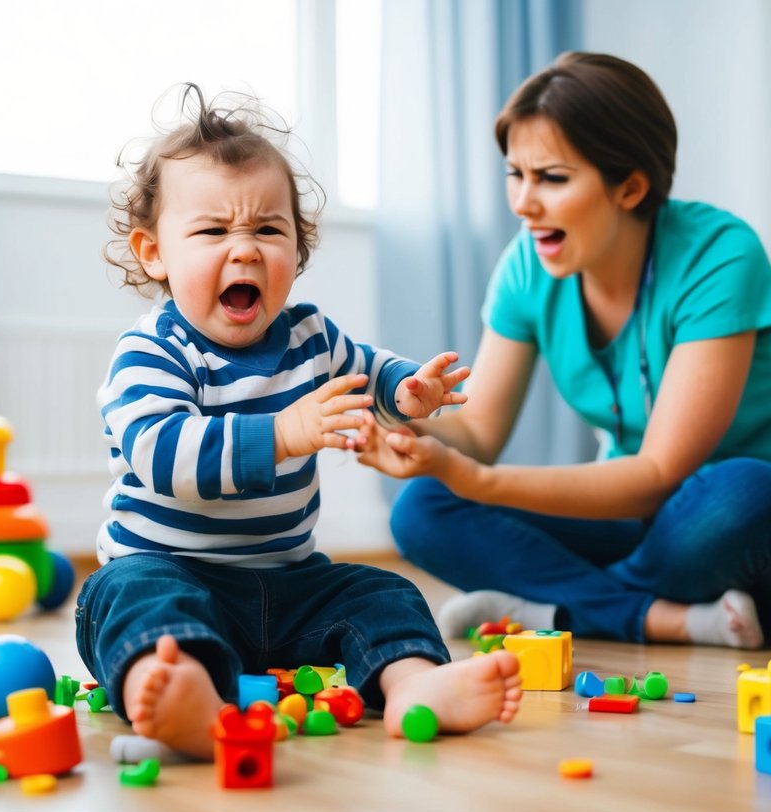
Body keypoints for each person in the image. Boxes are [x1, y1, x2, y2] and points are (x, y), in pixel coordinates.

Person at [355, 52, 771, 649]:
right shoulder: (526, 267)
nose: (523, 203)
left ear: (631, 186)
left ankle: (561, 608)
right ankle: (653, 615)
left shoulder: (720, 254)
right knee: (424, 504)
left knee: (739, 492)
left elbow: (659, 474)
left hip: (765, 529)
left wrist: (480, 481)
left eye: (552, 177)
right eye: (516, 174)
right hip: (646, 529)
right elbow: (477, 432)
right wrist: (400, 413)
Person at [76, 84, 522, 760]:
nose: (246, 250)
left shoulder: (310, 335)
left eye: (267, 229)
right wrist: (285, 433)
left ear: (298, 248)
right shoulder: (151, 353)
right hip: (172, 570)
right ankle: (177, 689)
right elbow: (165, 456)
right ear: (153, 253)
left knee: (381, 590)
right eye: (212, 230)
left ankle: (413, 687)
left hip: (288, 584)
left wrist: (408, 392)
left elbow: (367, 373)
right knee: (129, 596)